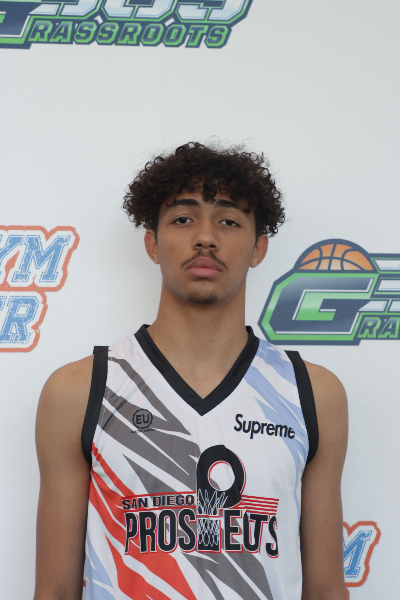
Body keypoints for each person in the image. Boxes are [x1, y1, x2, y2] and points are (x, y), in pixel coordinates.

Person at [34, 142, 348, 600]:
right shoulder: (80, 391)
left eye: (229, 221)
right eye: (183, 219)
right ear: (152, 243)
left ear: (259, 247)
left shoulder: (311, 393)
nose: (205, 237)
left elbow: (325, 589)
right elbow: (56, 590)